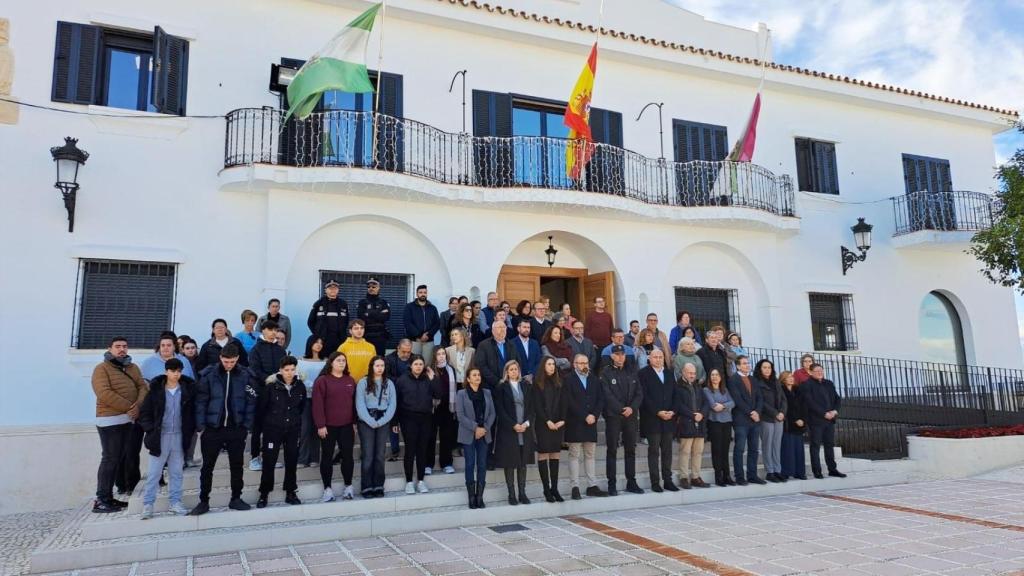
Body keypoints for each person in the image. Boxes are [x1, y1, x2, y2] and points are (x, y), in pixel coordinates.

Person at [191, 344, 256, 515]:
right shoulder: (208, 374)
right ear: (220, 358)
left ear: (237, 359)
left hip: (236, 428)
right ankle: (203, 501)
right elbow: (200, 402)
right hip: (213, 429)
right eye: (226, 361)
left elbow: (251, 401)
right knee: (207, 467)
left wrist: (246, 426)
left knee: (237, 466)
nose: (229, 364)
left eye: (232, 361)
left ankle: (236, 498)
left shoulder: (245, 375)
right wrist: (201, 427)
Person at [91, 337, 148, 513]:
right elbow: (104, 392)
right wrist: (130, 408)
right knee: (110, 459)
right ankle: (101, 499)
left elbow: (142, 387)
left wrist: (137, 407)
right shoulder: (101, 369)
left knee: (121, 458)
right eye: (118, 347)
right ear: (110, 348)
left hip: (128, 420)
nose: (122, 349)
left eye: (124, 346)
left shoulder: (132, 367)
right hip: (110, 420)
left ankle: (110, 497)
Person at [138, 358, 194, 518]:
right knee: (154, 473)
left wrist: (191, 429)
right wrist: (150, 429)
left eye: (178, 371)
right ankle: (148, 505)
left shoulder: (187, 390)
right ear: (166, 371)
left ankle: (175, 503)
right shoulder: (156, 391)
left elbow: (191, 413)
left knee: (176, 473)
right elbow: (145, 413)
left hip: (179, 436)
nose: (176, 374)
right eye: (172, 371)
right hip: (160, 437)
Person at [256, 356, 307, 508]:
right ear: (280, 370)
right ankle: (264, 493)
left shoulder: (300, 387)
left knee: (291, 461)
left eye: (292, 370)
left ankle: (291, 491)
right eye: (286, 370)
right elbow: (262, 409)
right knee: (269, 462)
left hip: (292, 429)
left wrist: (295, 421)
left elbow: (301, 407)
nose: (290, 373)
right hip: (273, 429)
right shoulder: (271, 387)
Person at [599, 344, 643, 496]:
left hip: (630, 416)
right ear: (611, 356)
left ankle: (631, 481)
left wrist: (632, 408)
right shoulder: (606, 372)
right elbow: (606, 394)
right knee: (612, 450)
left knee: (630, 449)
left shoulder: (632, 371)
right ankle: (612, 484)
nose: (620, 357)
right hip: (613, 416)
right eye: (617, 354)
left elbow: (639, 393)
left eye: (622, 354)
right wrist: (620, 409)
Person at [313, 352, 357, 502]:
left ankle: (348, 487)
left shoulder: (350, 380)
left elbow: (354, 404)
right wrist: (320, 424)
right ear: (331, 362)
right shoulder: (322, 381)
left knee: (348, 457)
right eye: (338, 360)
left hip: (346, 426)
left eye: (344, 360)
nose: (341, 363)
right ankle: (327, 489)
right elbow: (317, 404)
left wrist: (354, 422)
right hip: (328, 427)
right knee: (326, 457)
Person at [494, 360, 535, 505]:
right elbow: (500, 409)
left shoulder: (525, 385)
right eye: (510, 369)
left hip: (524, 429)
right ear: (506, 372)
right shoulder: (501, 387)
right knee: (510, 462)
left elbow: (531, 407)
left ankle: (522, 493)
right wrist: (513, 425)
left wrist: (526, 423)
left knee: (522, 462)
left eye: (515, 369)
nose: (513, 372)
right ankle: (512, 494)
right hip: (509, 430)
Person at [565, 354, 606, 499]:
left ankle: (591, 485)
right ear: (574, 364)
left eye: (586, 363)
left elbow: (600, 399)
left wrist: (594, 415)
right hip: (575, 422)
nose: (584, 366)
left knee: (590, 454)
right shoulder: (568, 380)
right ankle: (574, 486)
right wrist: (584, 416)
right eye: (581, 363)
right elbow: (569, 401)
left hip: (591, 422)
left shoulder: (594, 379)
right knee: (574, 454)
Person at [355, 356, 396, 498]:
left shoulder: (389, 383)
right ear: (371, 366)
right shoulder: (363, 382)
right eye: (377, 365)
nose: (380, 368)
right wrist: (370, 421)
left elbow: (392, 405)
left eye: (382, 366)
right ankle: (366, 486)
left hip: (383, 420)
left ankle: (378, 485)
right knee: (368, 455)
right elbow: (360, 404)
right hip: (366, 420)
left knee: (380, 454)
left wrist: (382, 421)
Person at [248, 320, 286, 472]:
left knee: (273, 427)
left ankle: (269, 457)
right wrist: (267, 379)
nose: (272, 332)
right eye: (269, 329)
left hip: (278, 393)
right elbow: (254, 370)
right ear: (263, 331)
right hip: (260, 392)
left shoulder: (280, 350)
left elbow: (285, 368)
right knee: (258, 426)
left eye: (275, 329)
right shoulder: (256, 349)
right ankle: (255, 458)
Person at [393, 355, 434, 494]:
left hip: (426, 419)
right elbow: (396, 402)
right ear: (410, 365)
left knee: (422, 450)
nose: (418, 366)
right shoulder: (402, 380)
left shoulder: (428, 379)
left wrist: (433, 378)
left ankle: (421, 481)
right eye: (416, 364)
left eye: (421, 364)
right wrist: (395, 421)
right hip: (408, 419)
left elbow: (438, 393)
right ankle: (409, 481)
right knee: (410, 450)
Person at [638, 349, 678, 492]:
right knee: (654, 451)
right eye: (655, 357)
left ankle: (668, 480)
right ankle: (655, 482)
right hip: (652, 419)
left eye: (661, 357)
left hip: (668, 419)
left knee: (667, 451)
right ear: (649, 358)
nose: (658, 359)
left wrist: (673, 411)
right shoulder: (643, 374)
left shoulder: (668, 373)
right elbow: (644, 396)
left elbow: (675, 393)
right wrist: (657, 412)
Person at [455, 367, 495, 509]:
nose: (477, 377)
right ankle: (471, 497)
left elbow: (492, 414)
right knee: (470, 464)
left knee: (482, 465)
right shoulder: (461, 394)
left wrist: (484, 428)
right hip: (468, 433)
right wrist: (475, 428)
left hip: (484, 433)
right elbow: (460, 415)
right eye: (474, 375)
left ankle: (480, 496)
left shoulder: (487, 393)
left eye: (479, 375)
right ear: (468, 379)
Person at [531, 356, 567, 502]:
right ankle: (546, 489)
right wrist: (547, 421)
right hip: (543, 424)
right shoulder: (537, 383)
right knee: (544, 455)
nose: (551, 367)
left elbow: (564, 402)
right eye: (549, 364)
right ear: (543, 366)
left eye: (553, 364)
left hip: (558, 424)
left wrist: (562, 420)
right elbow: (537, 406)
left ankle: (555, 488)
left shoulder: (559, 382)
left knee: (555, 455)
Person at [802, 363, 846, 479]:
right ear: (810, 372)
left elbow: (837, 399)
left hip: (830, 420)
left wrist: (835, 411)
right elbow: (809, 402)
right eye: (816, 371)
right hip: (816, 421)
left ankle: (832, 469)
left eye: (821, 370)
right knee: (815, 445)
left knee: (829, 445)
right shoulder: (807, 385)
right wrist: (823, 413)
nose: (820, 372)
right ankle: (817, 471)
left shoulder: (829, 383)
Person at [727, 356, 764, 485]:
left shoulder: (753, 379)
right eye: (744, 363)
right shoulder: (733, 380)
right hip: (741, 419)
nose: (747, 365)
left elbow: (760, 398)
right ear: (737, 366)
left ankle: (752, 475)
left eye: (748, 363)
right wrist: (750, 412)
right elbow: (737, 400)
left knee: (754, 449)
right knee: (740, 449)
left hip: (755, 420)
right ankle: (740, 477)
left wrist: (757, 412)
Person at [676, 363, 709, 489]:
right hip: (686, 423)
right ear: (683, 372)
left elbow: (706, 403)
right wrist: (692, 415)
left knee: (698, 452)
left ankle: (696, 477)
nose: (692, 375)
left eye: (694, 373)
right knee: (685, 452)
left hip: (699, 423)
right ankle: (684, 477)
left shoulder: (698, 386)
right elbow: (679, 405)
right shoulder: (678, 387)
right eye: (690, 373)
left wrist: (701, 414)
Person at [426, 347, 458, 475]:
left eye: (443, 353)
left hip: (448, 408)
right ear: (434, 356)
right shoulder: (428, 370)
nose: (441, 356)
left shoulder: (451, 370)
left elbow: (454, 388)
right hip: (432, 408)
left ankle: (447, 463)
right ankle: (428, 464)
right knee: (430, 437)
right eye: (438, 354)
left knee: (446, 437)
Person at [755, 359, 787, 483]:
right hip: (766, 418)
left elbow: (784, 399)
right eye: (764, 367)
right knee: (767, 445)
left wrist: (782, 413)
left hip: (779, 418)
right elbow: (761, 401)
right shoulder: (757, 382)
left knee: (776, 445)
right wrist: (775, 413)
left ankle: (777, 470)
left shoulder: (776, 382)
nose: (767, 369)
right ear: (760, 369)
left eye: (769, 367)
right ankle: (770, 471)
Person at [703, 368, 735, 486]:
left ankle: (727, 475)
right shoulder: (706, 390)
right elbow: (713, 405)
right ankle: (718, 476)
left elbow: (733, 402)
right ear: (709, 377)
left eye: (717, 375)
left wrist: (722, 406)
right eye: (712, 375)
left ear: (721, 377)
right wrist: (726, 406)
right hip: (714, 422)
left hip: (727, 422)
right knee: (716, 450)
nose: (715, 377)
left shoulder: (724, 390)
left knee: (725, 450)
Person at [473, 321, 521, 391]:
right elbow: (481, 366)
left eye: (504, 327)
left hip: (509, 385)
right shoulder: (483, 345)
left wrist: (510, 379)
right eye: (499, 327)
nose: (502, 329)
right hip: (491, 386)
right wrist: (497, 381)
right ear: (493, 331)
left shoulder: (512, 345)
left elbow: (517, 362)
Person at [779, 371, 807, 481]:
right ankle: (786, 471)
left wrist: (802, 419)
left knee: (799, 449)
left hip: (800, 424)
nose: (791, 379)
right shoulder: (781, 391)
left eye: (791, 376)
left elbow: (804, 406)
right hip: (788, 424)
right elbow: (785, 407)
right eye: (788, 377)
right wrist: (795, 419)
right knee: (787, 449)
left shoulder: (798, 390)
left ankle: (799, 472)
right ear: (783, 379)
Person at [307, 280, 349, 353]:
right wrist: (318, 336)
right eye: (330, 288)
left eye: (335, 288)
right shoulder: (319, 303)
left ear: (338, 290)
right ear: (325, 290)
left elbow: (346, 321)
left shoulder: (343, 304)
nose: (333, 290)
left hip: (339, 340)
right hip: (323, 341)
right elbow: (310, 322)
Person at [404, 284, 440, 360]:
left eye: (424, 292)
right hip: (415, 341)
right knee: (414, 362)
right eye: (420, 292)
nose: (423, 294)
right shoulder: (409, 307)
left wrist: (429, 335)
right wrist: (419, 335)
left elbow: (437, 323)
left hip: (429, 341)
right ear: (417, 294)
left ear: (427, 294)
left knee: (427, 363)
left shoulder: (433, 308)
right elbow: (407, 323)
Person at [357, 278, 391, 356]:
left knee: (380, 359)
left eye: (374, 287)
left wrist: (369, 313)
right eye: (369, 287)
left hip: (380, 337)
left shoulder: (383, 302)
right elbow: (361, 318)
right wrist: (379, 313)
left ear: (379, 287)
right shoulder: (362, 302)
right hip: (367, 336)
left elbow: (386, 317)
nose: (371, 288)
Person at [338, 319, 376, 384]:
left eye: (362, 328)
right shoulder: (343, 347)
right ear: (350, 331)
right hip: (348, 383)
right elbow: (338, 367)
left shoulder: (371, 347)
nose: (359, 330)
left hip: (367, 383)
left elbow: (375, 366)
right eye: (356, 328)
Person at [445, 328, 475, 395]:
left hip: (467, 383)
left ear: (462, 336)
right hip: (453, 384)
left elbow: (473, 368)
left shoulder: (472, 351)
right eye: (452, 335)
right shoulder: (447, 350)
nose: (453, 336)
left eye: (456, 334)